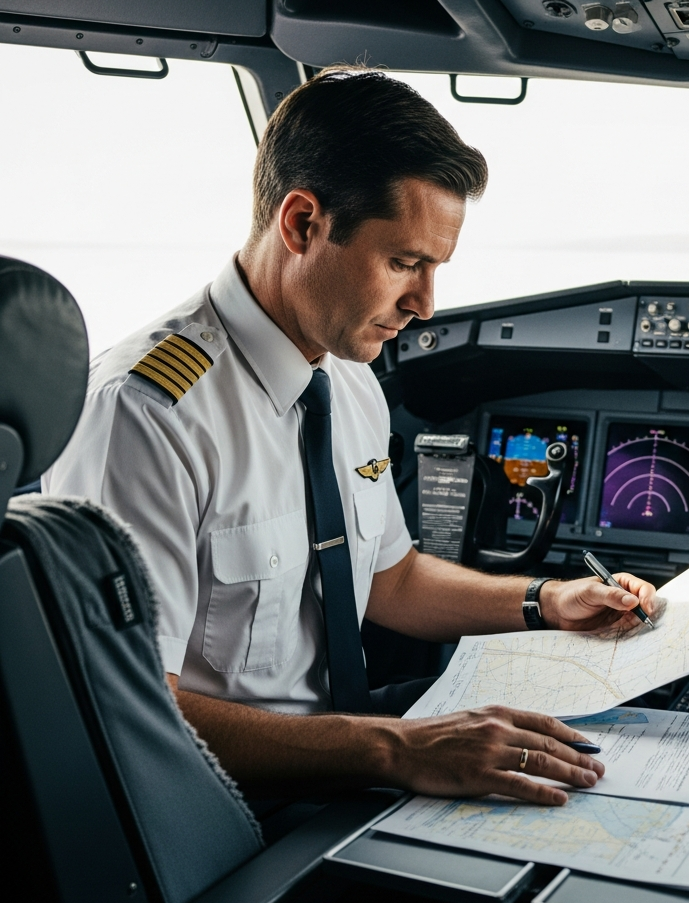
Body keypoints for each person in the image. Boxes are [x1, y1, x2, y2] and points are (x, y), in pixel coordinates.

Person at [45, 66, 656, 809]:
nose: (425, 305)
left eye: (434, 269)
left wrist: (549, 600)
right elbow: (134, 713)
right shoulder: (147, 413)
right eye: (404, 263)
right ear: (302, 223)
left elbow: (387, 580)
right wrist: (398, 748)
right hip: (229, 803)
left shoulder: (345, 371)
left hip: (350, 746)